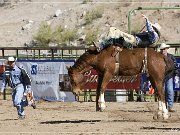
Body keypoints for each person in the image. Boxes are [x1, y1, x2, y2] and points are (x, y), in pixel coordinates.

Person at [95, 14, 161, 52]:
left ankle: (101, 43)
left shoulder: (154, 35)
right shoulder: (152, 36)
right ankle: (101, 45)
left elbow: (150, 31)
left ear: (155, 29)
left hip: (134, 41)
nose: (152, 27)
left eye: (153, 27)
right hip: (133, 40)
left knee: (115, 31)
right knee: (113, 38)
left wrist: (147, 20)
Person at [159, 43, 179, 112]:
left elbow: (175, 66)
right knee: (163, 91)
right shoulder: (158, 57)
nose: (163, 50)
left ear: (166, 49)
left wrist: (176, 74)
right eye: (162, 49)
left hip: (169, 76)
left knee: (169, 90)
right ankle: (164, 105)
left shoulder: (171, 57)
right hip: (161, 77)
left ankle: (170, 106)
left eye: (164, 49)